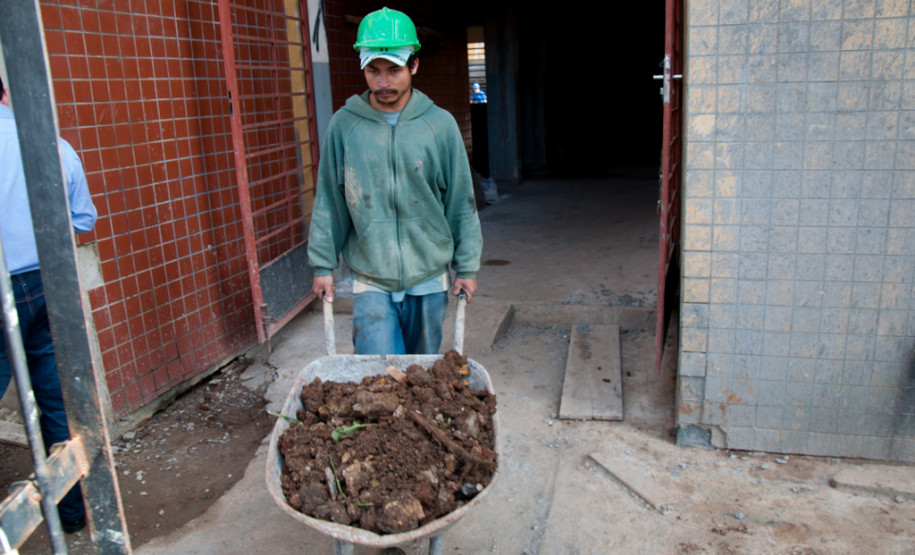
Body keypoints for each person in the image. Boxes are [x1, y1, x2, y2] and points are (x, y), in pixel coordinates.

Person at [308, 7, 483, 356]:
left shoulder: (440, 125)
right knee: (378, 372)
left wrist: (467, 265)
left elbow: (461, 201)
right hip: (371, 275)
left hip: (428, 275)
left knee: (421, 372)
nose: (383, 82)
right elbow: (330, 198)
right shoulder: (345, 126)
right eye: (373, 70)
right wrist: (323, 264)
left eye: (394, 70)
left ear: (414, 65)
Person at [0, 75, 98, 534]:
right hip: (47, 283)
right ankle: (72, 513)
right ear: (5, 92)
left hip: (3, 284)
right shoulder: (53, 146)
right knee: (54, 397)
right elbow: (83, 219)